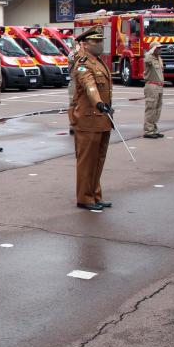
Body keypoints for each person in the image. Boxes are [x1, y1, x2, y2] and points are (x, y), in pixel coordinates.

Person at [71, 26, 113, 211]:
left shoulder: (98, 61)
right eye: (95, 41)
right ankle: (85, 198)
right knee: (87, 161)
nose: (99, 44)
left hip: (102, 119)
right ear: (85, 44)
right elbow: (90, 86)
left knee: (98, 159)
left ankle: (95, 194)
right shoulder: (83, 63)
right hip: (89, 118)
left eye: (100, 41)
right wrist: (98, 103)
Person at [142, 41, 165, 139]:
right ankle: (148, 130)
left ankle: (154, 129)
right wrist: (150, 50)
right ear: (153, 49)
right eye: (158, 48)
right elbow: (146, 58)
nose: (160, 49)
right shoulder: (149, 57)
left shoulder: (159, 58)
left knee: (157, 109)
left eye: (160, 48)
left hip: (159, 86)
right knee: (151, 108)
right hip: (152, 86)